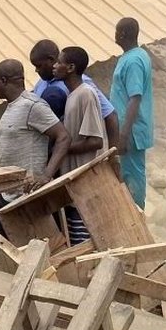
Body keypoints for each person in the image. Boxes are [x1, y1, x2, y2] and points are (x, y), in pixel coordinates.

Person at [0, 59, 70, 262]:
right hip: (8, 193)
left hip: (26, 195)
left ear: (3, 80)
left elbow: (63, 137)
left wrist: (46, 175)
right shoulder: (12, 107)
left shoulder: (33, 105)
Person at [53, 47, 107, 244]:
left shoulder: (86, 94)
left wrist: (62, 149)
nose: (54, 66)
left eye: (59, 62)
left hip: (85, 183)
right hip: (75, 184)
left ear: (71, 67)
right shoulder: (73, 95)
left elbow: (95, 141)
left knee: (83, 244)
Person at [30, 39, 119, 149]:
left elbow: (110, 115)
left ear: (51, 60)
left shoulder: (82, 86)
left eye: (39, 66)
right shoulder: (41, 84)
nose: (36, 70)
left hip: (72, 151)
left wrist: (113, 155)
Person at [111, 18, 153, 209]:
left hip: (132, 131)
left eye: (117, 30)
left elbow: (134, 98)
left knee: (133, 175)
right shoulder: (134, 55)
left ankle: (137, 215)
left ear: (122, 34)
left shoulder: (134, 60)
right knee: (127, 174)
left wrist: (123, 134)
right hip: (129, 129)